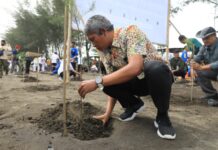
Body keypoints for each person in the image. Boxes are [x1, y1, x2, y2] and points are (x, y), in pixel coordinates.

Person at [78, 15, 176, 139]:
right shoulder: (103, 50)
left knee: (155, 68)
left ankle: (162, 116)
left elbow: (136, 67)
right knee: (105, 82)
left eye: (93, 39)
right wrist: (108, 113)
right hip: (135, 83)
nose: (93, 45)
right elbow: (110, 79)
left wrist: (97, 81)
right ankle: (134, 105)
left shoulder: (131, 32)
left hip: (156, 79)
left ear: (103, 32)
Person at [192, 27, 218, 106]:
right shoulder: (204, 47)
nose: (204, 41)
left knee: (201, 70)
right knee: (199, 72)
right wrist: (193, 67)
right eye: (203, 39)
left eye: (207, 38)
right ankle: (212, 96)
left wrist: (202, 67)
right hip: (213, 71)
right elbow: (196, 58)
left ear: (214, 35)